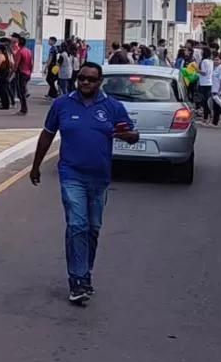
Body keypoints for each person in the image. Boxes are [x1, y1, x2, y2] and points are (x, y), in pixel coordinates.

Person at [29, 62, 139, 305]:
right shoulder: (62, 104)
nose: (85, 83)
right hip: (71, 174)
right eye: (82, 78)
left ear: (100, 82)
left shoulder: (113, 107)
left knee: (92, 228)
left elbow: (132, 135)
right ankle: (77, 279)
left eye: (91, 79)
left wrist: (127, 135)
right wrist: (36, 165)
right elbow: (47, 134)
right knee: (77, 224)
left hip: (99, 178)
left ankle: (85, 272)